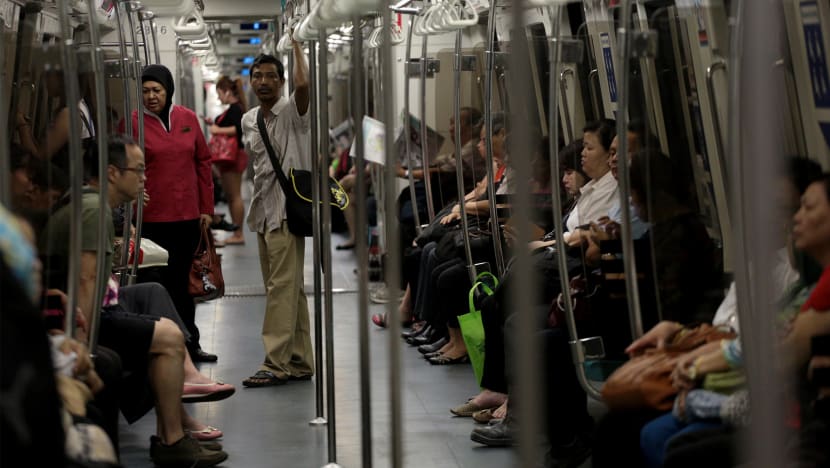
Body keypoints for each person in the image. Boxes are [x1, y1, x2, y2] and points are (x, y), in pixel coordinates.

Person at [38, 136, 227, 466]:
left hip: (94, 302)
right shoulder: (94, 211)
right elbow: (85, 283)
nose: (143, 178)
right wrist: (84, 341)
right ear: (112, 172)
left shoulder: (93, 205)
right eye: (138, 170)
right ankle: (172, 442)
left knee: (152, 292)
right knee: (166, 335)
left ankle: (179, 414)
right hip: (84, 314)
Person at [123, 64, 217, 363]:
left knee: (184, 285)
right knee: (156, 285)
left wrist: (206, 208)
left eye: (157, 90)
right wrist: (133, 192)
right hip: (150, 219)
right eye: (146, 91)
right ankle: (160, 347)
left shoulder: (188, 119)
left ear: (168, 91)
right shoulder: (133, 124)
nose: (151, 96)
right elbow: (123, 165)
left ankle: (190, 344)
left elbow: (203, 163)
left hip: (187, 216)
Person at [240, 39, 314, 387]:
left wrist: (296, 45)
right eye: (257, 76)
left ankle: (275, 362)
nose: (264, 81)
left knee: (281, 287)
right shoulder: (248, 120)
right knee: (288, 288)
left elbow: (303, 85)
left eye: (271, 76)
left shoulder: (294, 113)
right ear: (250, 81)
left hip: (287, 212)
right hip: (262, 212)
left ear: (281, 81)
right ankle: (299, 359)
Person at [209, 76, 249, 245]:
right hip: (231, 157)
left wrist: (216, 129)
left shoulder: (235, 109)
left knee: (234, 196)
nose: (219, 98)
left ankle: (238, 233)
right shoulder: (235, 109)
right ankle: (236, 231)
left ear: (226, 91)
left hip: (232, 157)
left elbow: (236, 129)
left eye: (219, 93)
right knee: (232, 196)